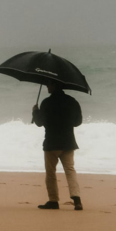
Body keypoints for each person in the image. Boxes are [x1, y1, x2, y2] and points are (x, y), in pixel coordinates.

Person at [31, 80, 83, 210]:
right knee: (70, 171)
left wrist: (35, 112)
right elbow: (78, 122)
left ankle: (53, 201)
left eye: (49, 84)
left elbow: (39, 123)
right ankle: (77, 200)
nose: (47, 86)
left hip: (51, 143)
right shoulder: (72, 101)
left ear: (54, 86)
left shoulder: (47, 102)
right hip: (68, 142)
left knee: (50, 173)